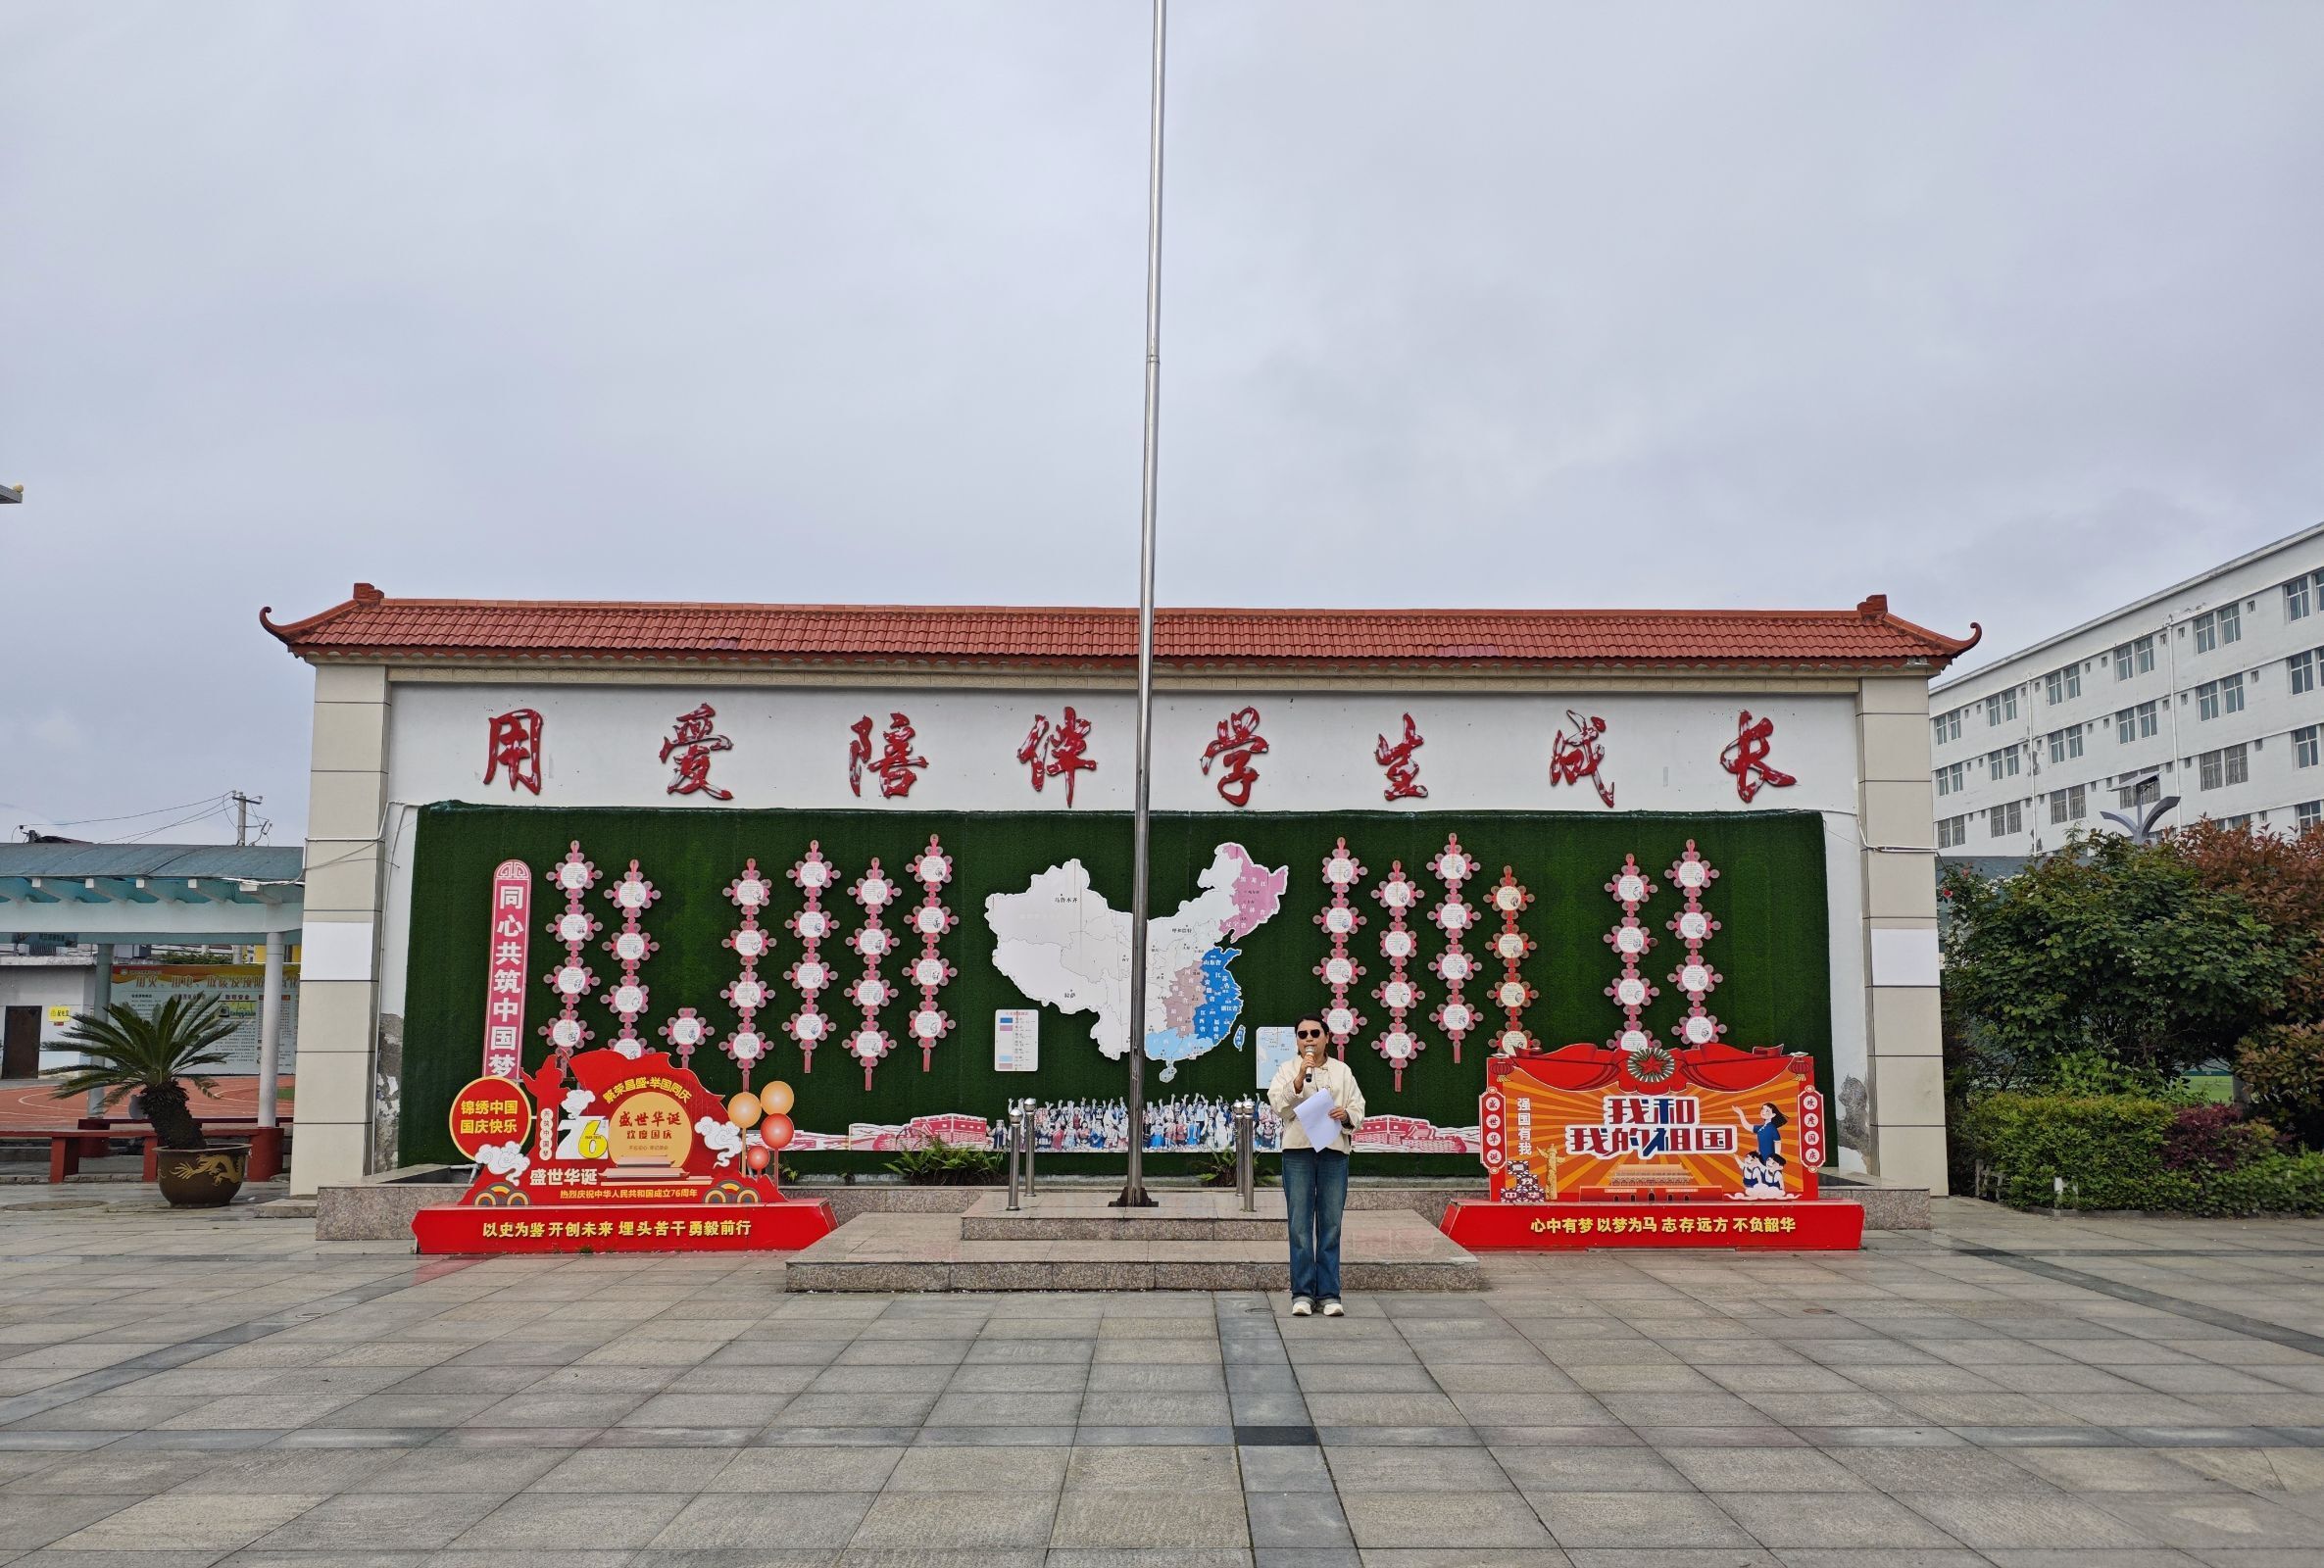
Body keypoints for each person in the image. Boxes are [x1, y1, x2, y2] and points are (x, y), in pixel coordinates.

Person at [1267, 1016, 1366, 1318]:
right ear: (1296, 1041)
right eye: (1302, 1034)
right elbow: (1278, 1105)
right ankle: (1302, 1293)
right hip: (1298, 1151)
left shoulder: (1342, 1071)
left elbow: (1358, 1107)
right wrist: (1298, 1079)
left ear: (1326, 1037)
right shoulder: (1287, 1069)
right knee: (1299, 1224)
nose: (1308, 1039)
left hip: (1333, 1151)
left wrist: (1345, 1114)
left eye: (1314, 1033)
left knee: (1331, 1223)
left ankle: (1329, 1293)